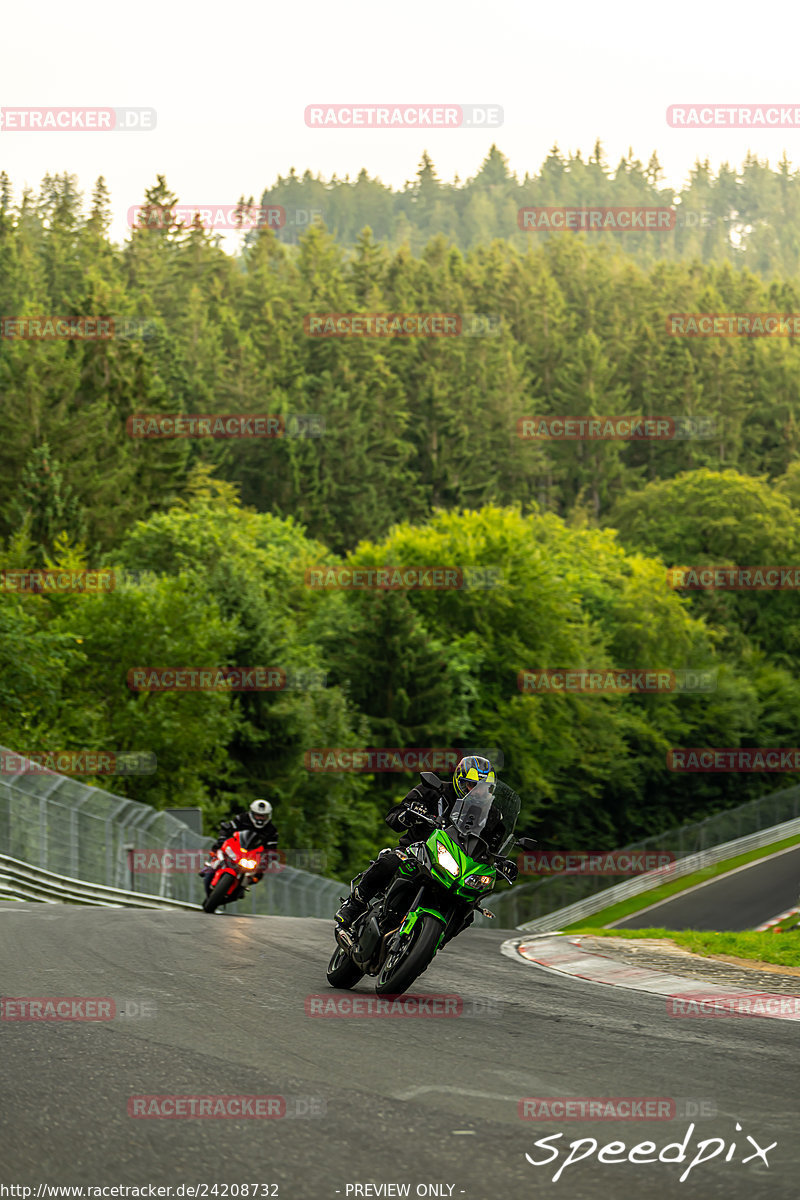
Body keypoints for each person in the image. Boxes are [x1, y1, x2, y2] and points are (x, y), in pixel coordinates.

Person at [335, 755, 498, 929]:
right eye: (472, 785)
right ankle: (354, 904)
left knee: (467, 911)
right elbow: (393, 818)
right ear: (459, 779)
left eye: (484, 788)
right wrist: (408, 815)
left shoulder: (491, 815)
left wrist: (502, 862)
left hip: (455, 866)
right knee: (390, 862)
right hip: (415, 850)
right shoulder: (434, 790)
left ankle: (435, 940)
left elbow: (495, 845)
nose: (477, 792)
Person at [199, 798, 279, 895]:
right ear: (252, 813)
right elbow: (229, 827)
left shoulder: (272, 830)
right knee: (218, 846)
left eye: (263, 816)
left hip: (254, 854)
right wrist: (223, 835)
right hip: (237, 846)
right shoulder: (242, 818)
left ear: (268, 816)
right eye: (257, 815)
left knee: (259, 873)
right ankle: (209, 864)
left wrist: (269, 856)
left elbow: (272, 847)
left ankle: (244, 885)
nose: (259, 818)